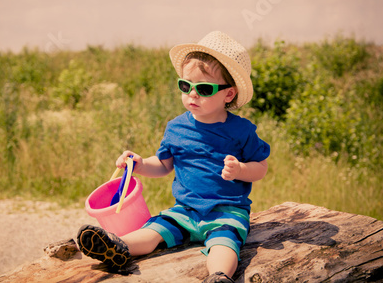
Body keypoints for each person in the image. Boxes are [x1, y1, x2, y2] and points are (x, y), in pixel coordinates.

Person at [77, 31, 270, 283]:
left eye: (203, 88)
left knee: (224, 243)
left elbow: (261, 167)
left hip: (227, 210)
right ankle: (117, 247)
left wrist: (241, 170)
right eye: (185, 85)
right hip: (185, 210)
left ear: (229, 94)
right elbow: (163, 164)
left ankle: (219, 276)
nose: (192, 94)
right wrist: (139, 164)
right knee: (154, 229)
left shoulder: (241, 131)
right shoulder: (176, 128)